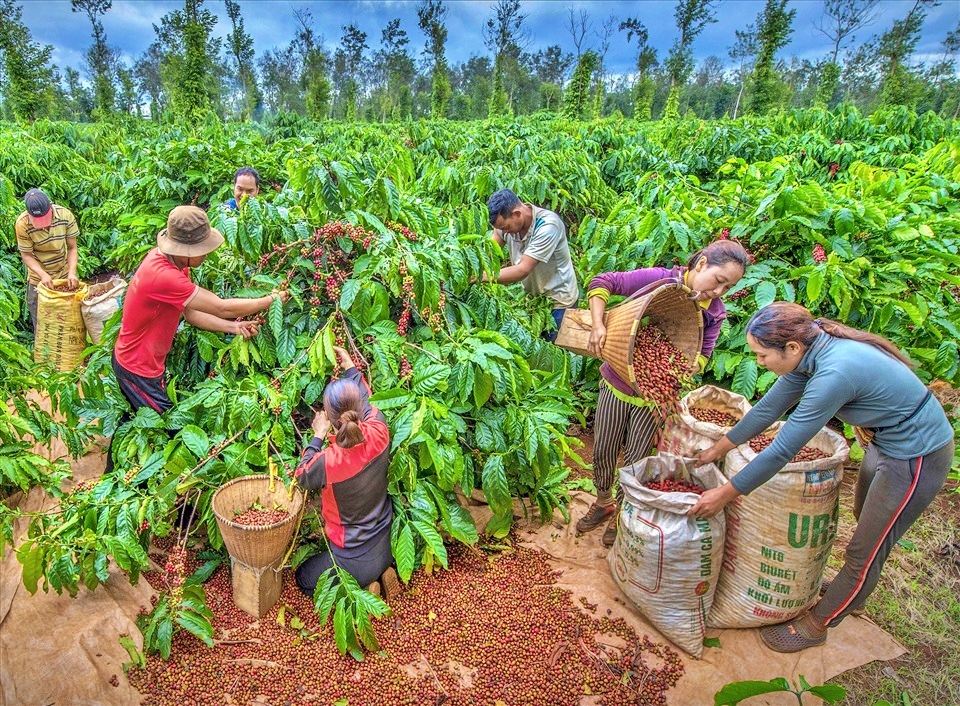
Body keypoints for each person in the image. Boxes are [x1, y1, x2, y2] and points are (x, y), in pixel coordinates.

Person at [689, 302, 954, 653]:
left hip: (915, 455)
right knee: (866, 523)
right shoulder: (808, 354)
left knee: (866, 548)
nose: (759, 363)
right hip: (881, 443)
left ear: (792, 348)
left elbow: (783, 450)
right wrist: (717, 449)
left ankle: (819, 623)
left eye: (762, 355)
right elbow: (769, 409)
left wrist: (725, 493)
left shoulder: (834, 372)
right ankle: (854, 591)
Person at [577, 239, 751, 547]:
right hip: (616, 384)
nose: (719, 292)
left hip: (653, 401)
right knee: (603, 450)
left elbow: (702, 355)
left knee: (635, 461)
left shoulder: (714, 313)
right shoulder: (661, 280)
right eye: (719, 281)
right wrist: (597, 325)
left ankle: (623, 513)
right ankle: (604, 501)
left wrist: (681, 366)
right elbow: (602, 283)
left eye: (728, 287)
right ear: (701, 264)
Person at [108, 205, 288, 470]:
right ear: (187, 251)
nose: (207, 253)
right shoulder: (163, 276)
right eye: (203, 248)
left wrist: (234, 328)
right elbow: (221, 306)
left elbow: (190, 314)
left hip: (146, 364)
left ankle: (111, 476)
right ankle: (132, 488)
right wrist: (270, 300)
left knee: (135, 418)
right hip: (137, 369)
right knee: (171, 430)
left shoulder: (173, 263)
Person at [294, 346, 399, 601]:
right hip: (386, 542)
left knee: (303, 579)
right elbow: (367, 400)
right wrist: (351, 367)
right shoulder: (379, 428)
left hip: (351, 558)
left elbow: (302, 474)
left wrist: (318, 435)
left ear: (329, 418)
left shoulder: (329, 461)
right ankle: (383, 573)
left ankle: (361, 589)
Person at [485, 188, 579, 341]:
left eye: (506, 227)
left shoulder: (548, 226)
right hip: (534, 300)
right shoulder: (504, 227)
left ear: (517, 214)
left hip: (559, 301)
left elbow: (522, 270)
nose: (505, 232)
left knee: (558, 351)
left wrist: (482, 276)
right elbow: (489, 253)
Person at [15, 188, 80, 332]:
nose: (43, 224)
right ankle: (44, 352)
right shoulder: (22, 224)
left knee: (70, 318)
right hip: (38, 278)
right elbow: (27, 256)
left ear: (50, 206)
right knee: (42, 320)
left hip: (63, 272)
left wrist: (72, 272)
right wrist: (43, 275)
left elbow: (72, 248)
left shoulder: (65, 215)